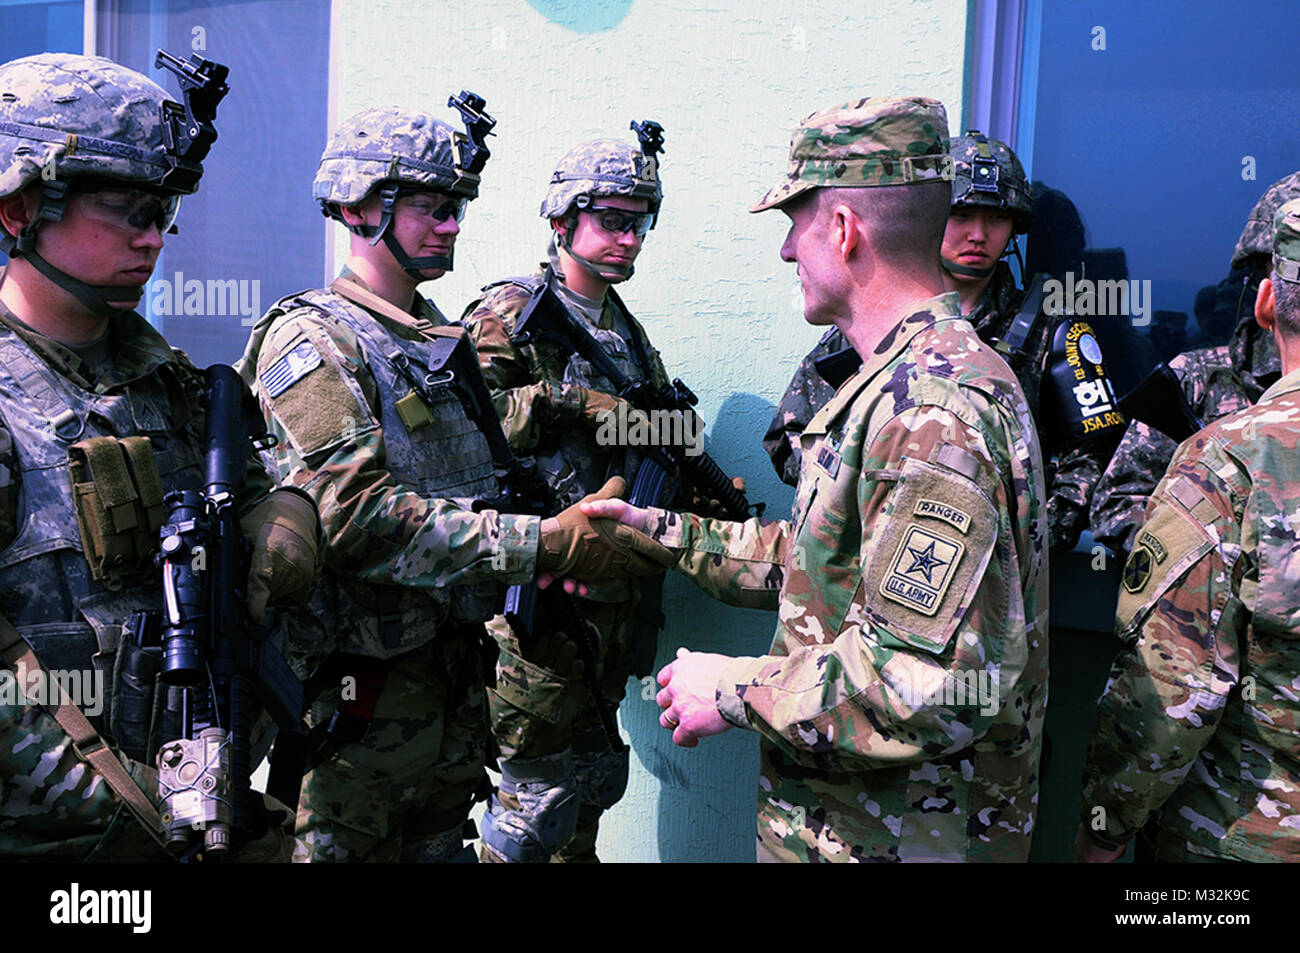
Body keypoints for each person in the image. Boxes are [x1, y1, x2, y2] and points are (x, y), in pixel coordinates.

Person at [584, 97, 1049, 862]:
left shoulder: (930, 409)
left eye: (794, 223)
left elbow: (920, 678)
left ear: (842, 228)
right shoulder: (908, 381)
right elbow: (829, 561)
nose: (786, 252)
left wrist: (735, 690)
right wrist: (660, 532)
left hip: (898, 837)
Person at [238, 105, 660, 862]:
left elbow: (490, 483)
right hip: (358, 708)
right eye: (432, 207)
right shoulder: (315, 336)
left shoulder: (436, 340)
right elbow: (354, 517)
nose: (453, 226)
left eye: (456, 207)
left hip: (453, 694)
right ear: (361, 206)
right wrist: (547, 542)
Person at [0, 52, 319, 860]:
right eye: (124, 210)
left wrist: (286, 516)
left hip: (197, 814)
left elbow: (263, 492)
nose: (153, 239)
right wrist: (123, 805)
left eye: (162, 212)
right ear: (19, 209)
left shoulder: (174, 384)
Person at [462, 128, 683, 862]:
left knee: (588, 787)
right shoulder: (508, 311)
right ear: (563, 222)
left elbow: (640, 434)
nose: (630, 239)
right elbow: (468, 424)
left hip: (610, 596)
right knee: (530, 810)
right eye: (612, 220)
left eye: (640, 222)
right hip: (541, 591)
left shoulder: (626, 331)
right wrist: (567, 400)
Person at [1076, 197, 1300, 863]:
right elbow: (1115, 499)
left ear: (1265, 299)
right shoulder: (1197, 383)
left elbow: (1172, 688)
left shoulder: (1230, 458)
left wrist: (1101, 825)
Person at [765, 131, 1107, 551]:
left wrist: (1018, 540)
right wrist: (860, 493)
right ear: (930, 220)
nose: (979, 235)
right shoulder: (877, 323)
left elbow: (1093, 460)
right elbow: (789, 433)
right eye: (962, 216)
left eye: (996, 219)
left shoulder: (1050, 332)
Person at [1089, 172, 1296, 557]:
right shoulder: (1199, 381)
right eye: (1287, 266)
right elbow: (1118, 505)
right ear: (1261, 282)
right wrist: (1215, 557)